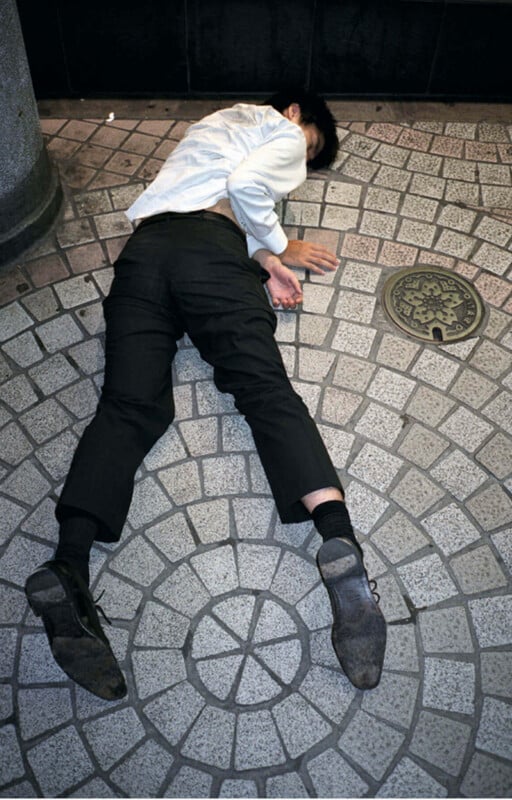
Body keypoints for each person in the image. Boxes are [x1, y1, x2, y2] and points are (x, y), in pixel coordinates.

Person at [24, 90, 386, 700]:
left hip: (144, 259)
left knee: (128, 407)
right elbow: (244, 191)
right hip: (212, 260)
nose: (301, 160)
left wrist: (262, 258)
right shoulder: (277, 128)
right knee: (264, 391)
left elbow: (207, 197)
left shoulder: (208, 129)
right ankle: (338, 540)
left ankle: (69, 563)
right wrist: (281, 244)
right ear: (296, 112)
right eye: (312, 146)